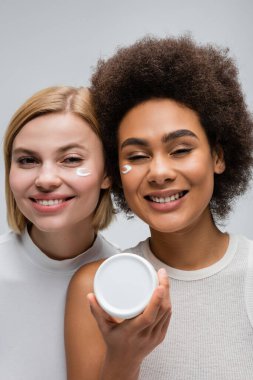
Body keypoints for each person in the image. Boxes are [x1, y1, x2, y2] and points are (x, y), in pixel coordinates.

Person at [65, 36, 253, 380]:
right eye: (136, 156)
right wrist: (124, 358)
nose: (160, 172)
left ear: (218, 156)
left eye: (181, 149)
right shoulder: (96, 290)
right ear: (115, 173)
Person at [0, 86, 119, 380]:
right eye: (27, 160)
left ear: (108, 173)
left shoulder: (128, 281)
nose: (46, 179)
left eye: (71, 159)